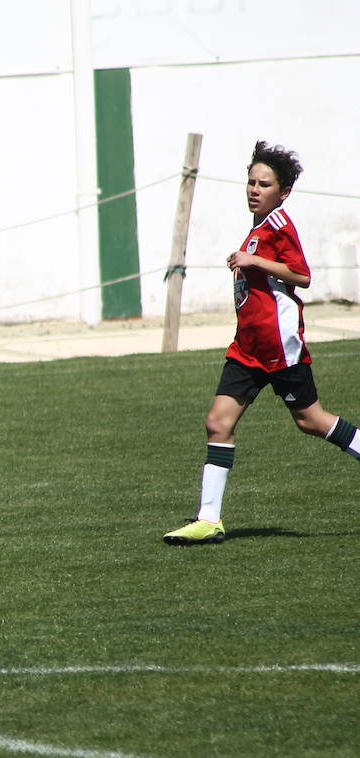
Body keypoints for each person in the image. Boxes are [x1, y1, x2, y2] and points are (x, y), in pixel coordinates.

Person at [164, 141, 360, 545]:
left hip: (277, 346)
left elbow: (302, 276)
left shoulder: (279, 226)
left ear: (282, 192)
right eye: (250, 182)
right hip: (247, 347)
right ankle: (209, 520)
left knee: (311, 420)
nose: (254, 189)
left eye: (264, 184)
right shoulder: (257, 228)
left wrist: (254, 262)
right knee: (218, 422)